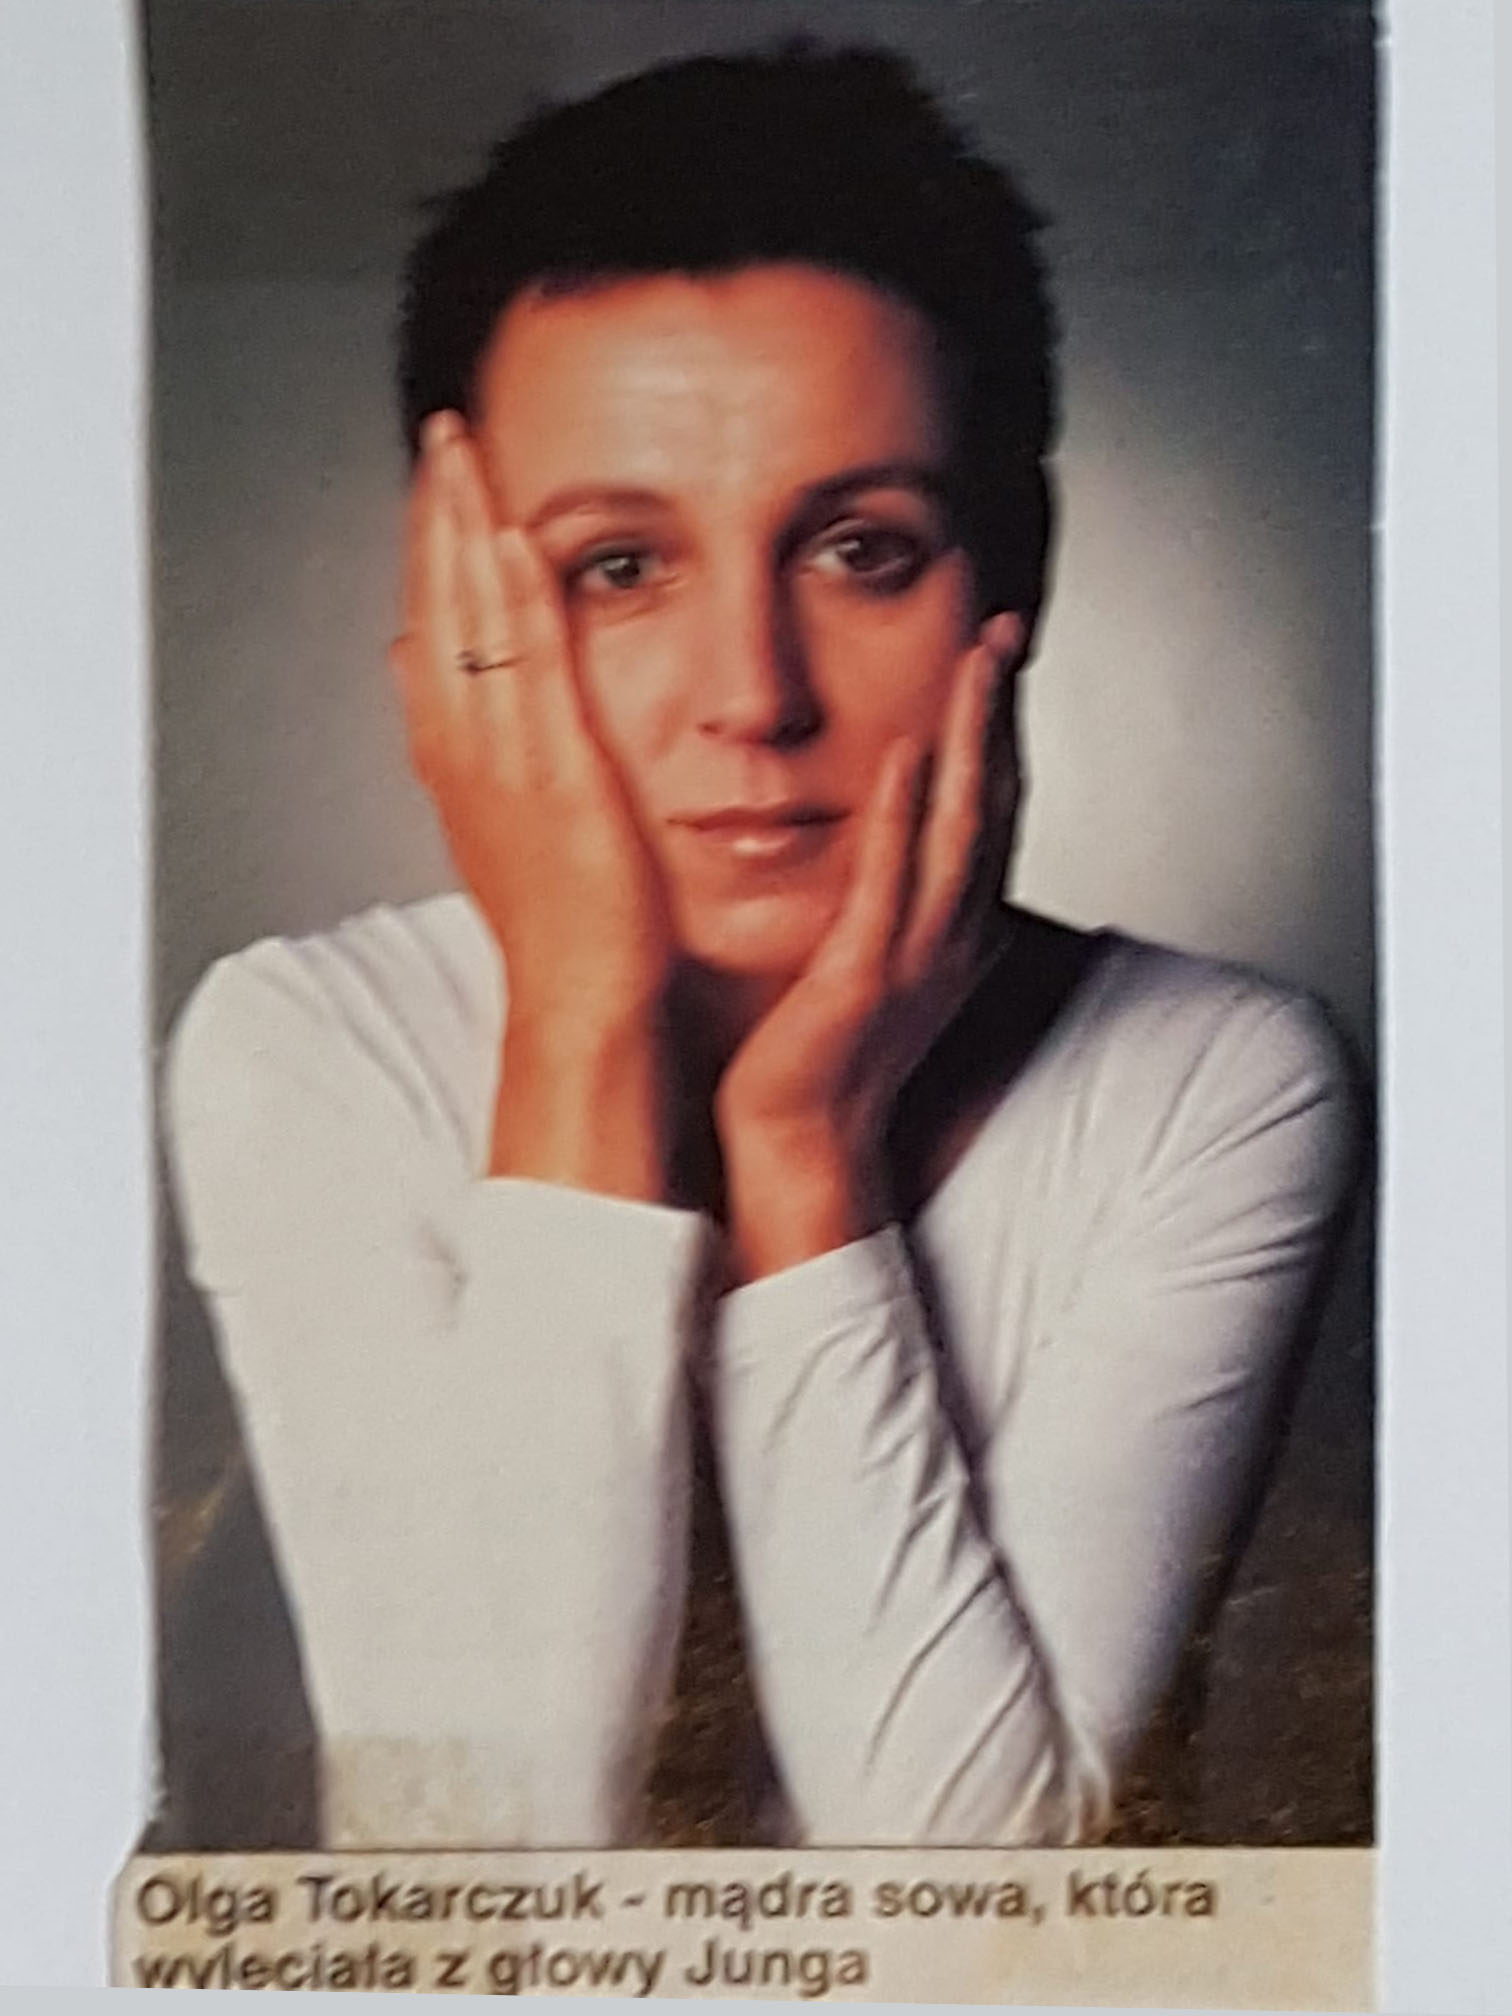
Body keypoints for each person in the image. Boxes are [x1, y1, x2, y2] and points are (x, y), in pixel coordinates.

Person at [163, 44, 1361, 1850]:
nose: (752, 693)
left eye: (861, 549)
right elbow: (480, 1867)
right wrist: (578, 1028)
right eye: (618, 568)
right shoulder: (305, 1045)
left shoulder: (1209, 1080)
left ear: (1012, 575)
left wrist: (808, 1153)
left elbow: (977, 1910)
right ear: (460, 608)